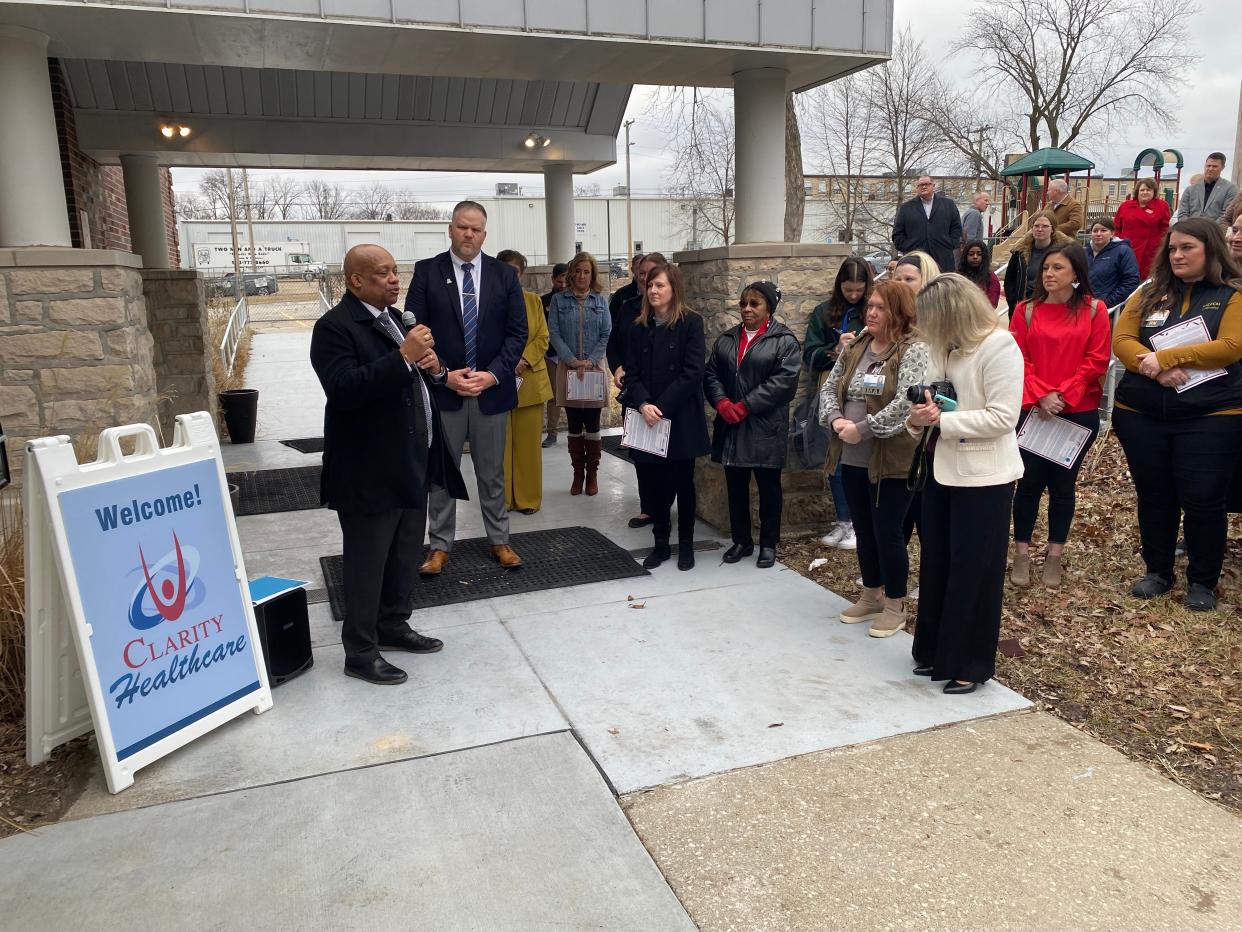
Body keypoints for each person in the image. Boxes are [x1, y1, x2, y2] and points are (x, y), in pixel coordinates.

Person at [310, 245, 466, 685]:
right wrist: (403, 357)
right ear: (356, 280)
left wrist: (435, 370)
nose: (395, 280)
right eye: (383, 274)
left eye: (396, 271)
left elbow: (413, 383)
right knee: (367, 562)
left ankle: (393, 624)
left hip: (410, 462)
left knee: (402, 556)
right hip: (368, 469)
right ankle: (360, 650)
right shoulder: (334, 328)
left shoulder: (398, 322)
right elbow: (345, 389)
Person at [1111, 218, 1242, 611]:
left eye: (1188, 248)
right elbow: (1121, 339)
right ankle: (1158, 571)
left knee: (1204, 499)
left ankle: (1202, 581)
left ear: (1211, 250)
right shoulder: (1150, 292)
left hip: (1210, 415)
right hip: (1142, 413)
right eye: (1173, 248)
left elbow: (1231, 346)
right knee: (1154, 494)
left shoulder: (1231, 294)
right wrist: (1155, 368)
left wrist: (1166, 357)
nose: (1178, 255)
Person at [906, 274, 1024, 694]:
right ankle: (936, 649)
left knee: (975, 569)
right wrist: (919, 417)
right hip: (941, 468)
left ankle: (969, 663)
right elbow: (931, 404)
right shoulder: (946, 347)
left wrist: (945, 421)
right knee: (938, 561)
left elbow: (1003, 417)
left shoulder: (999, 346)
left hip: (984, 477)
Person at [405, 200, 528, 577]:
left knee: (492, 472)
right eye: (462, 227)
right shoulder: (427, 272)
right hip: (445, 392)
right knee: (443, 471)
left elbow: (517, 333)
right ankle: (440, 546)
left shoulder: (504, 276)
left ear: (484, 235)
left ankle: (499, 540)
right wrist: (444, 373)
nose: (468, 234)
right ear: (451, 229)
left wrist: (492, 375)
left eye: (475, 229)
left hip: (490, 392)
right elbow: (415, 330)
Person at [820, 281, 928, 637]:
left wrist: (862, 428)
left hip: (890, 460)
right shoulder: (860, 344)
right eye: (871, 306)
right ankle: (871, 593)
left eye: (881, 307)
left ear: (899, 311)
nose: (871, 312)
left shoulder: (913, 350)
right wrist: (836, 419)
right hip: (851, 456)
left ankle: (896, 604)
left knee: (888, 532)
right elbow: (830, 386)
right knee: (864, 530)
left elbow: (905, 403)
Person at [1009, 243, 1111, 588]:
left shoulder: (1095, 311)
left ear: (1076, 274)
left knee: (1063, 487)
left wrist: (1063, 395)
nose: (1049, 274)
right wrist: (1041, 395)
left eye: (1058, 268)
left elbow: (1096, 359)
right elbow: (1018, 359)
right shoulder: (1025, 310)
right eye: (1046, 268)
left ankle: (1054, 554)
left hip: (1076, 412)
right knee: (1028, 485)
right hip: (1033, 412)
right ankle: (1021, 552)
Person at [704, 281, 801, 569]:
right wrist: (722, 403)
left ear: (769, 308)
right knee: (736, 487)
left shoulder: (784, 341)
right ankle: (741, 540)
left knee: (769, 487)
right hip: (732, 426)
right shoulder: (727, 340)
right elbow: (711, 374)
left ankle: (769, 543)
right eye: (744, 302)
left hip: (764, 427)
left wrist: (746, 405)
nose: (747, 308)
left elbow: (784, 383)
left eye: (755, 303)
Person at [622, 262, 711, 570]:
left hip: (679, 417)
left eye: (660, 285)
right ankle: (661, 543)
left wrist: (661, 407)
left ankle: (686, 545)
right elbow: (630, 372)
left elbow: (692, 372)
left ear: (674, 289)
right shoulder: (638, 326)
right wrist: (644, 403)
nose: (654, 290)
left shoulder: (691, 323)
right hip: (647, 416)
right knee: (655, 486)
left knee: (683, 484)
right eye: (650, 285)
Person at [804, 257, 874, 550]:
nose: (854, 296)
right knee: (834, 459)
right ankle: (843, 521)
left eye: (859, 290)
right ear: (839, 286)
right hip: (832, 390)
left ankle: (860, 523)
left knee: (859, 459)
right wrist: (835, 349)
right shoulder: (824, 312)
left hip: (865, 393)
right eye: (849, 290)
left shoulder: (873, 310)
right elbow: (809, 354)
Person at [608, 252, 667, 528]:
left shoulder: (677, 311)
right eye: (642, 273)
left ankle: (665, 507)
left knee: (667, 454)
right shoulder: (627, 305)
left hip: (666, 396)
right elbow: (614, 343)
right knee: (641, 453)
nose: (647, 279)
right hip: (634, 391)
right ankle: (648, 508)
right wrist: (617, 366)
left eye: (653, 273)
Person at [548, 252, 611, 496]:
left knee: (593, 425)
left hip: (593, 371)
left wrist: (590, 361)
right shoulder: (558, 301)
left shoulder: (601, 301)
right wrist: (573, 361)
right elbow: (554, 333)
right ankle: (578, 474)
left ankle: (593, 474)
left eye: (587, 272)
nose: (582, 276)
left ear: (592, 275)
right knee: (574, 424)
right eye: (578, 271)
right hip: (570, 369)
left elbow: (606, 333)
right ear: (571, 273)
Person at [496, 249, 554, 515]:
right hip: (497, 380)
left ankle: (529, 499)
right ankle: (504, 499)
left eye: (515, 272)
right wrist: (507, 363)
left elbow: (542, 337)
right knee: (501, 445)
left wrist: (523, 360)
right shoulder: (488, 303)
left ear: (521, 274)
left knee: (529, 444)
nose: (510, 276)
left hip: (529, 380)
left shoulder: (533, 301)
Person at [1003, 210, 1074, 312]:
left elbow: (1075, 280)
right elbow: (1010, 281)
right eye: (1036, 226)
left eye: (1045, 226)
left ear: (1052, 229)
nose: (1040, 229)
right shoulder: (1019, 253)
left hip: (1054, 307)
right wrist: (1014, 304)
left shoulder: (1065, 252)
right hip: (1025, 306)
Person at [891, 175, 963, 274]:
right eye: (920, 185)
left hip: (943, 259)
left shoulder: (948, 205)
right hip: (916, 260)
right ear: (917, 188)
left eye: (927, 184)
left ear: (933, 186)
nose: (924, 187)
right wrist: (908, 247)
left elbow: (956, 227)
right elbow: (897, 234)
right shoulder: (906, 208)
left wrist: (950, 243)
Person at [1114, 178, 1171, 279]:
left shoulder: (1162, 206)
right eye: (1142, 190)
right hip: (1127, 248)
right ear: (1137, 192)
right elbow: (1116, 227)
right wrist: (1119, 243)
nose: (1145, 192)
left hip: (1150, 251)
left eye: (1148, 190)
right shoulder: (1125, 206)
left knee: (1147, 280)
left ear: (1154, 192)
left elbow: (1165, 229)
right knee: (1125, 277)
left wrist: (1159, 245)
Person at [540, 262, 568, 448]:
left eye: (566, 282)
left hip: (573, 355)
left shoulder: (574, 299)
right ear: (553, 280)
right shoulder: (543, 301)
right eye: (559, 282)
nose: (563, 286)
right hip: (551, 355)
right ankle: (552, 433)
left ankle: (579, 431)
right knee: (553, 397)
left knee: (576, 396)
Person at [1084, 219, 1140, 309]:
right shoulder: (1084, 252)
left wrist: (1107, 303)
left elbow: (1131, 281)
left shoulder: (1123, 251)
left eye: (1103, 230)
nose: (1098, 234)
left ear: (1112, 233)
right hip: (1083, 306)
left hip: (1110, 309)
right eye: (1095, 231)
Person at [1176, 153, 1238, 223]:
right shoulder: (1190, 190)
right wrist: (1190, 229)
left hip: (1214, 231)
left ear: (1222, 167)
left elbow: (1225, 215)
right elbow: (1182, 213)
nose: (1210, 169)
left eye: (1215, 166)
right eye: (1208, 166)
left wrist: (1208, 230)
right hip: (1190, 230)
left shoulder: (1230, 189)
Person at [957, 239, 1001, 309]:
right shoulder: (957, 277)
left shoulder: (991, 277)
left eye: (979, 254)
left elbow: (992, 304)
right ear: (965, 256)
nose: (975, 257)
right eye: (971, 254)